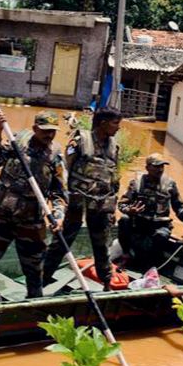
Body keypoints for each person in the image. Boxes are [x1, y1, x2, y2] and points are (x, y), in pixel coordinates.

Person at [0, 111, 68, 298]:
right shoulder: (17, 141)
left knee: (35, 272)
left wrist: (59, 216)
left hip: (30, 223)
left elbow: (60, 193)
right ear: (35, 128)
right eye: (45, 131)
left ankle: (33, 306)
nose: (50, 135)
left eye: (53, 131)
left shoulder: (55, 155)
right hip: (1, 216)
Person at [42, 109, 121, 289]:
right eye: (115, 123)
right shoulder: (80, 141)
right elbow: (64, 171)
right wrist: (61, 201)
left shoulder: (114, 146)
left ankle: (107, 283)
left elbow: (115, 177)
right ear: (102, 123)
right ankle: (42, 279)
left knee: (102, 245)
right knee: (62, 241)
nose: (118, 127)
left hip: (101, 204)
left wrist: (113, 205)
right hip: (76, 203)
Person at [116, 153, 183, 267]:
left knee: (162, 235)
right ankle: (126, 254)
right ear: (147, 168)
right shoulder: (136, 183)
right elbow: (122, 204)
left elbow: (179, 207)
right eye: (156, 166)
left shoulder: (169, 184)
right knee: (124, 220)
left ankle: (152, 264)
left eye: (162, 166)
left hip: (159, 225)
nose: (160, 169)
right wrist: (129, 210)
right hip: (139, 223)